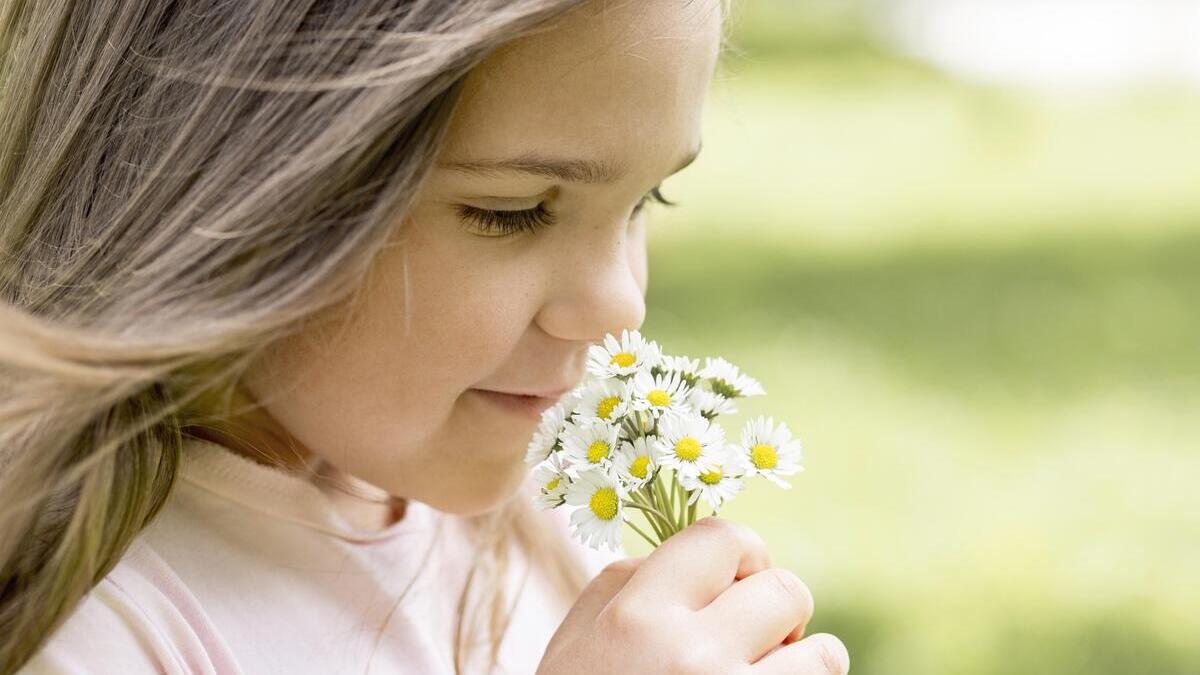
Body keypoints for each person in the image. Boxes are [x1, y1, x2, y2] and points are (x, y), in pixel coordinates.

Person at [0, 0, 850, 673]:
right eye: (512, 212)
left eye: (644, 203)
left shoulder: (521, 535)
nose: (621, 304)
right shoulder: (96, 631)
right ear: (226, 191)